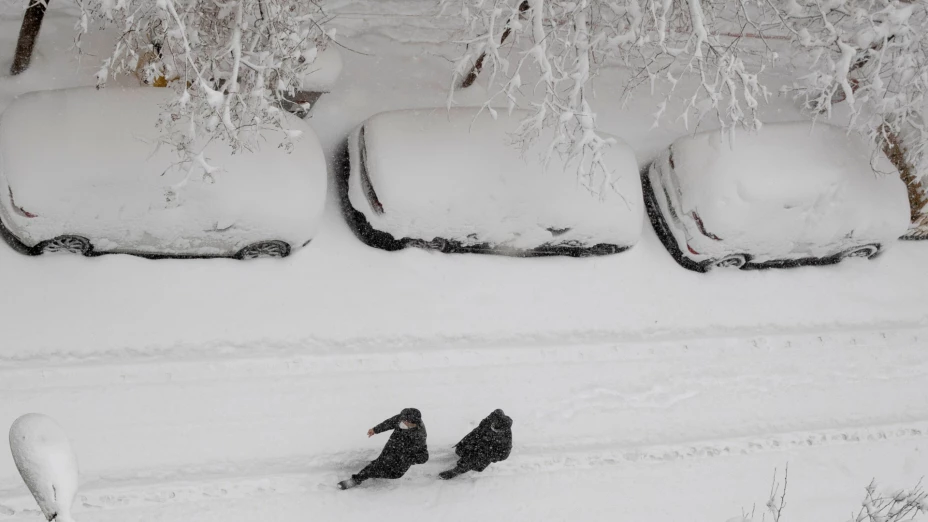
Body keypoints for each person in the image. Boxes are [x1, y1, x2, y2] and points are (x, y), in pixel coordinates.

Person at [338, 408, 429, 490]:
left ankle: (363, 476)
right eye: (402, 420)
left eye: (405, 422)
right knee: (378, 464)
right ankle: (361, 476)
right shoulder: (403, 417)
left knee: (387, 472)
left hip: (401, 461)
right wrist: (375, 429)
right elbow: (390, 422)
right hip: (392, 446)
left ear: (413, 423)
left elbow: (424, 457)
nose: (402, 422)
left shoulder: (419, 436)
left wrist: (407, 458)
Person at [439, 409, 512, 480]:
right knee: (460, 450)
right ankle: (467, 454)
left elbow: (504, 455)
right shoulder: (492, 418)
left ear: (502, 430)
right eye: (492, 427)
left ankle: (455, 472)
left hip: (487, 451)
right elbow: (496, 412)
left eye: (496, 430)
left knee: (474, 459)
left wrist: (488, 455)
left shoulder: (505, 438)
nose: (493, 429)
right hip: (478, 439)